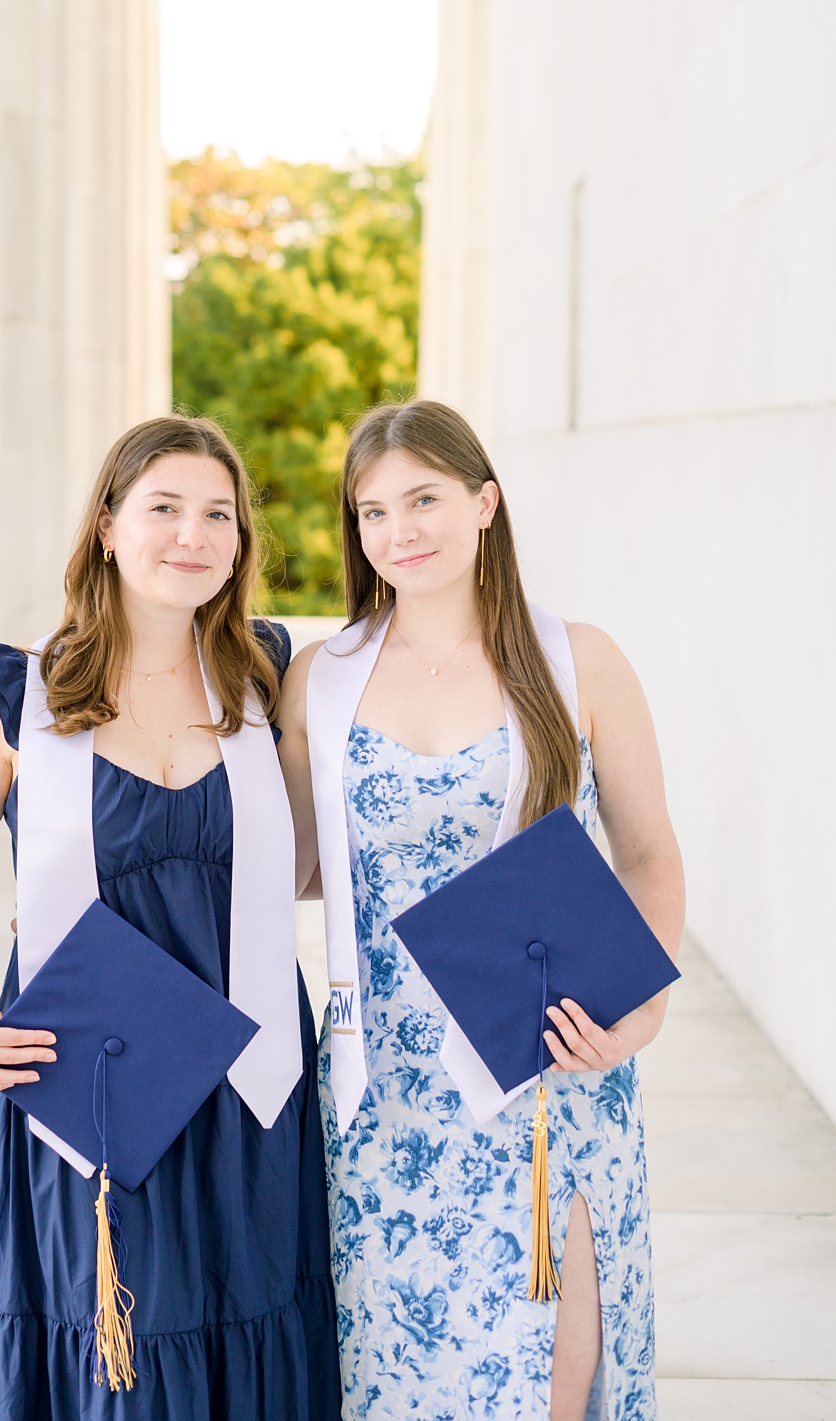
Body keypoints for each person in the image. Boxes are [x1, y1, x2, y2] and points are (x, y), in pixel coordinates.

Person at [0, 414, 339, 1418]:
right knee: (106, 1336)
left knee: (248, 1315)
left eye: (217, 515)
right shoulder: (17, 692)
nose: (191, 534)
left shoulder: (270, 678)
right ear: (106, 525)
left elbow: (304, 865)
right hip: (86, 1075)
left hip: (248, 1084)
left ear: (240, 542)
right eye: (163, 508)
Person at [277, 398, 682, 1420]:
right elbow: (286, 866)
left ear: (485, 502)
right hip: (386, 1091)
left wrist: (643, 1010)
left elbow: (646, 850)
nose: (399, 530)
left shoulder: (578, 658)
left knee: (556, 1366)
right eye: (373, 511)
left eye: (424, 498)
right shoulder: (319, 681)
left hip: (547, 1064)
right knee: (396, 1377)